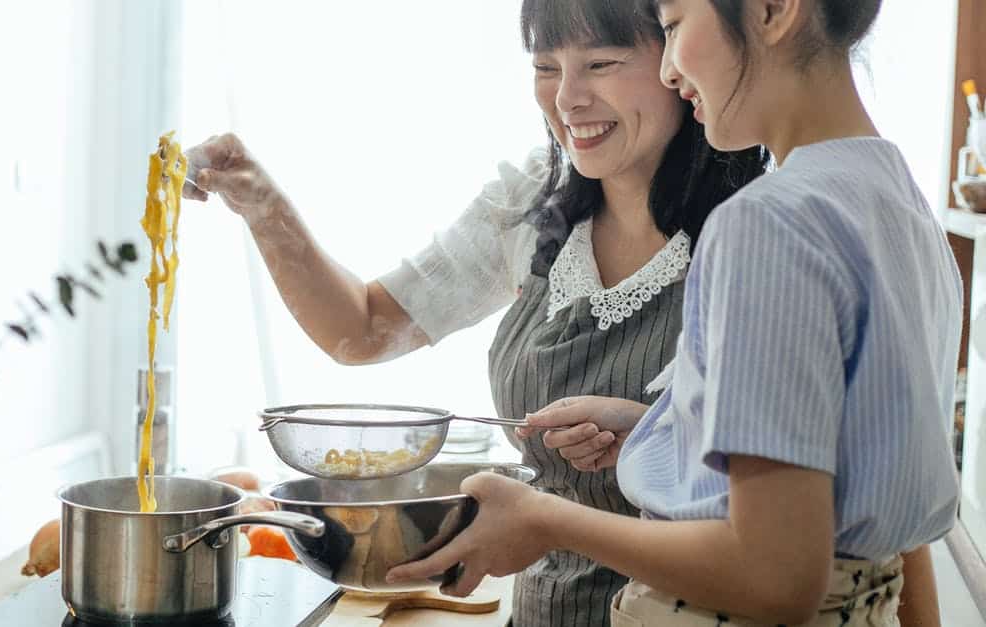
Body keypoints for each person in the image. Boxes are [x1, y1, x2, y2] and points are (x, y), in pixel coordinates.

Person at [182, 1, 765, 623]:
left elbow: (790, 519)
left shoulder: (765, 230)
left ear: (681, 58)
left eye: (601, 63)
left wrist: (648, 431)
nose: (567, 98)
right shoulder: (529, 204)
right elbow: (364, 330)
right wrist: (260, 202)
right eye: (545, 67)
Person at [386, 1, 962, 625]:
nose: (668, 70)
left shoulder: (766, 223)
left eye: (676, 24)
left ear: (772, 10)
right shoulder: (899, 199)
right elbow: (862, 485)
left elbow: (776, 575)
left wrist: (543, 519)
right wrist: (666, 429)